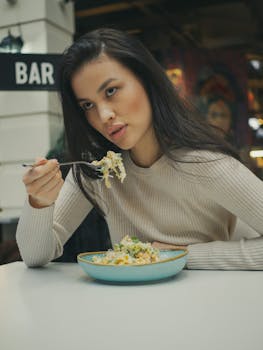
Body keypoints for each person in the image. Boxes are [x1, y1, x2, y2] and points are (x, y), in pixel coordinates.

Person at [16, 28, 263, 270]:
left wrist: (186, 256)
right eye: (88, 105)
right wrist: (39, 202)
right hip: (129, 307)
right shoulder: (97, 171)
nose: (103, 115)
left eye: (111, 91)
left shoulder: (207, 165)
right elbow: (35, 256)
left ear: (146, 81)